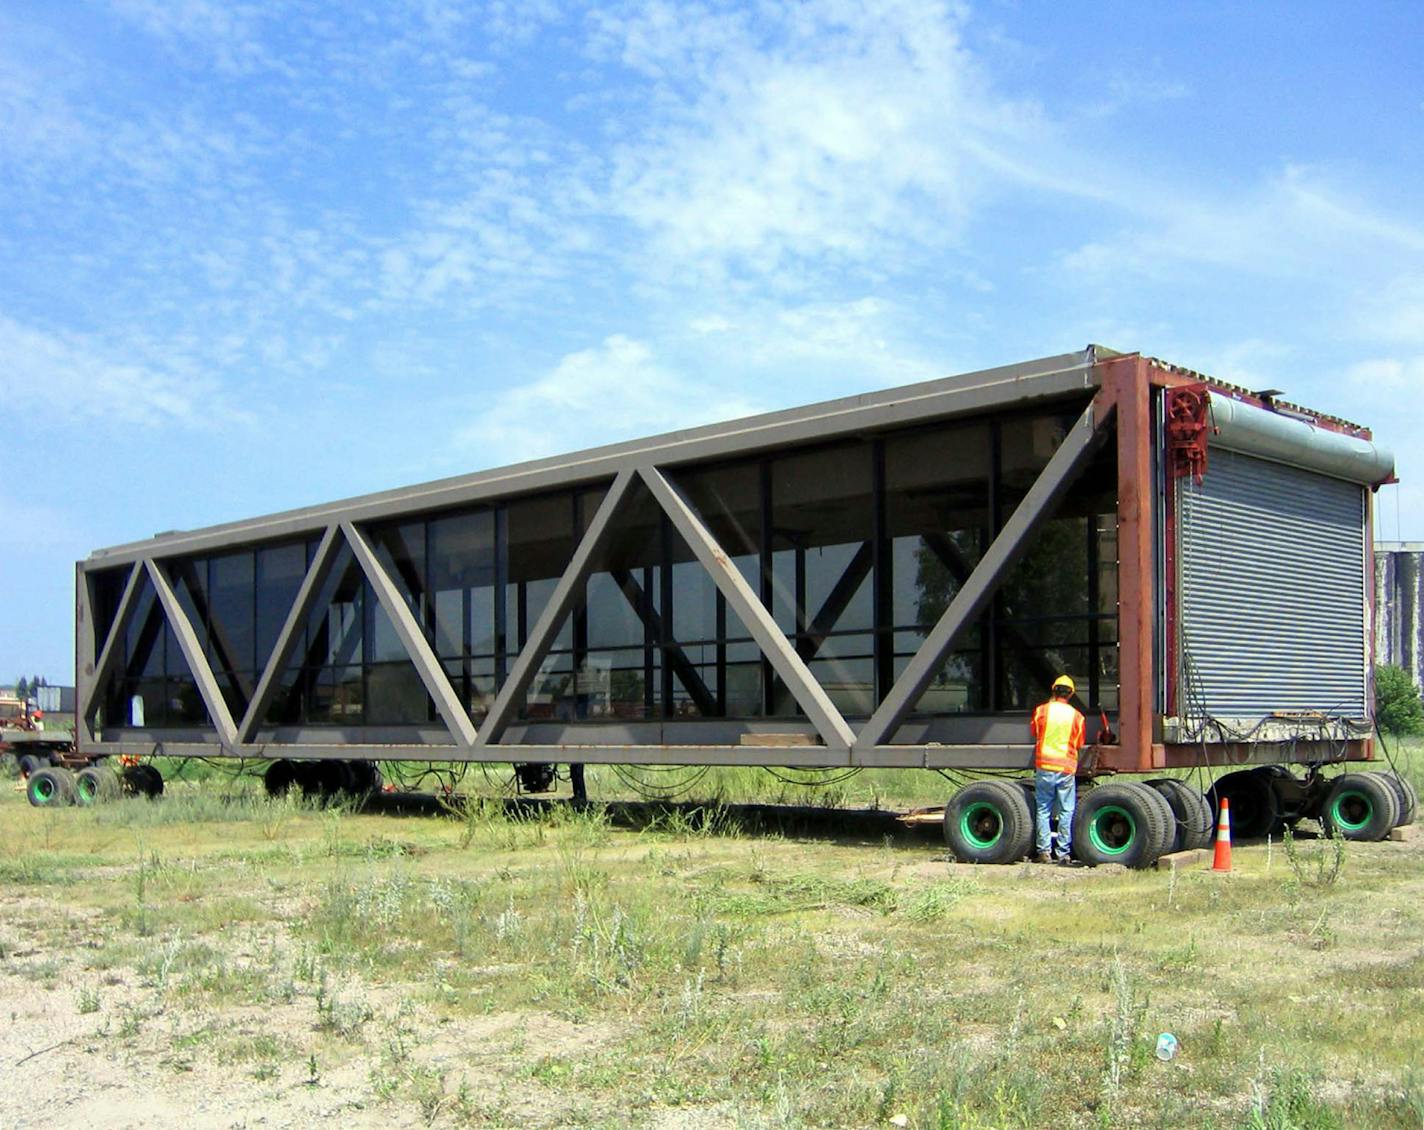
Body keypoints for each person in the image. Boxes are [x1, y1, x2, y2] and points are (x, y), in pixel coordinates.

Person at [1030, 674, 1085, 864]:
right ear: (1071, 694)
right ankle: (1063, 854)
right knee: (1066, 810)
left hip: (1044, 766)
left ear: (1053, 691)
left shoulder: (1041, 711)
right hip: (1066, 767)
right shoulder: (1077, 716)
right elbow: (1079, 742)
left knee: (1043, 809)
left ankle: (1044, 852)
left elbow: (1034, 731)